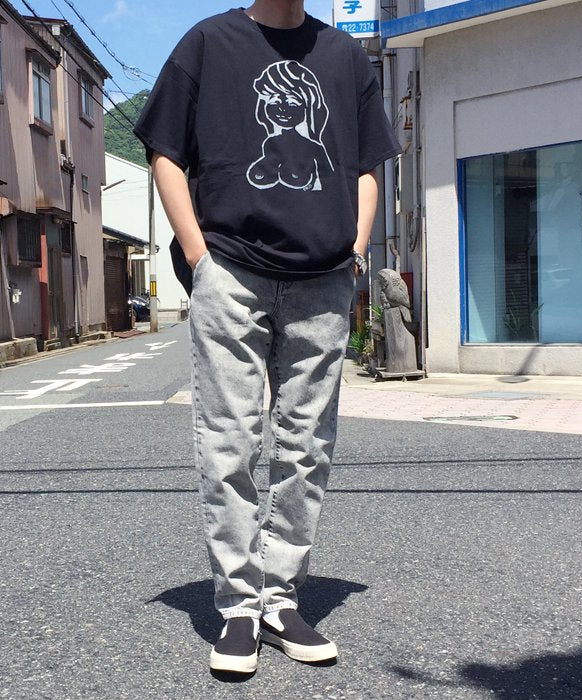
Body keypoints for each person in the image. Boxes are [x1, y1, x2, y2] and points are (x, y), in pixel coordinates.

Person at [133, 0, 400, 674]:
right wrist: (199, 258)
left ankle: (279, 599)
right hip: (232, 272)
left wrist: (356, 250)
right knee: (229, 439)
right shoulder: (208, 42)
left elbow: (368, 164)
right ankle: (238, 607)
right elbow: (165, 152)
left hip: (323, 277)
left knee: (307, 445)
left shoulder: (343, 57)